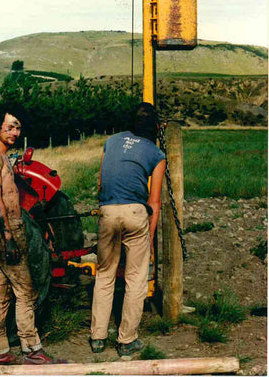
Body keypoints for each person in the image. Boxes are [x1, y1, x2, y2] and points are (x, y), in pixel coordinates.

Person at [0, 106, 60, 365]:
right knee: (26, 291)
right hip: (6, 230)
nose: (15, 132)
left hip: (6, 228)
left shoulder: (0, 157)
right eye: (10, 126)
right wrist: (9, 236)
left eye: (18, 127)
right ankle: (32, 350)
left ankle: (0, 352)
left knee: (1, 291)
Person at [90, 102, 166, 357]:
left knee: (105, 274)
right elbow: (154, 202)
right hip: (135, 213)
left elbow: (101, 182)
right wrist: (150, 237)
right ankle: (126, 341)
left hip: (108, 211)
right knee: (136, 278)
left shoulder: (111, 142)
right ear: (155, 127)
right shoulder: (157, 153)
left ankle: (98, 338)